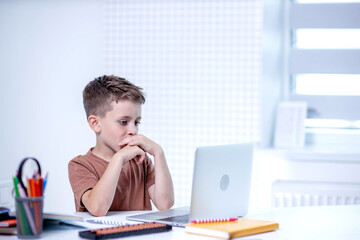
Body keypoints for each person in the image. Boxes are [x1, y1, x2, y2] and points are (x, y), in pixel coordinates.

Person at [68, 75, 174, 216]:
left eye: (136, 122)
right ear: (95, 123)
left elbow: (165, 203)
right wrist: (118, 159)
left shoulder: (142, 161)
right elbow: (98, 208)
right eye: (124, 122)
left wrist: (158, 153)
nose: (133, 131)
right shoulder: (80, 165)